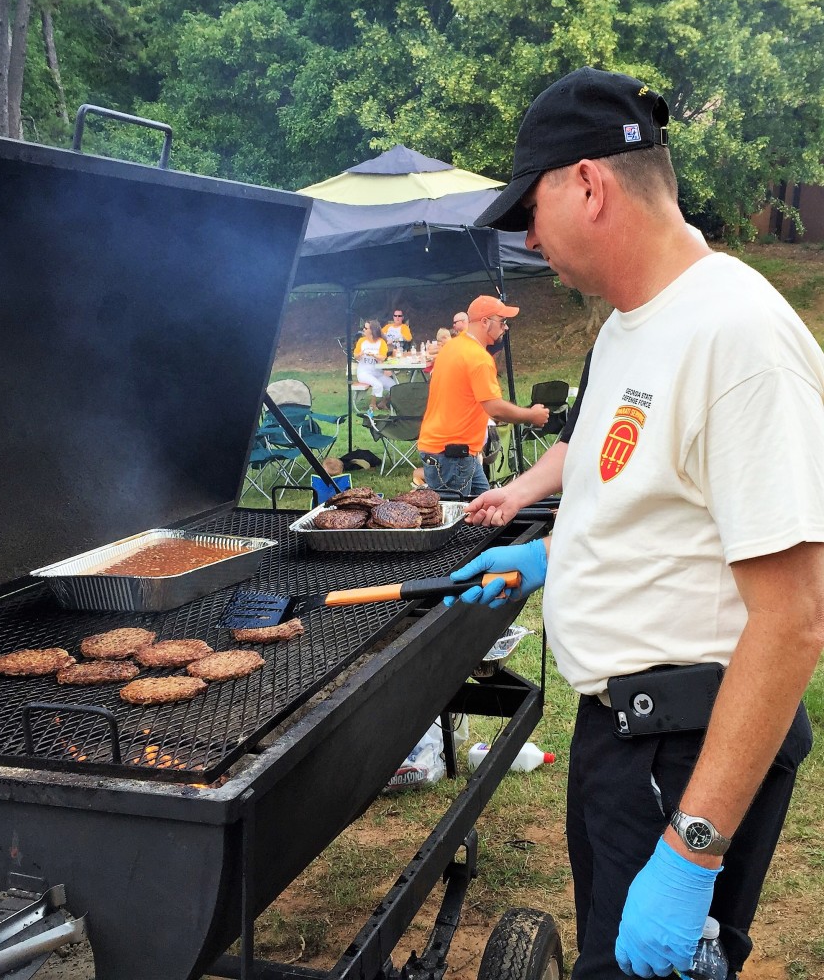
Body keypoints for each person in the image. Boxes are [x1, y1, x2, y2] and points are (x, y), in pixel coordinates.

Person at [450, 66, 824, 980]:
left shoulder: (737, 336)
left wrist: (693, 850)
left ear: (590, 183)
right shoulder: (625, 327)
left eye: (527, 210)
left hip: (686, 744)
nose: (527, 239)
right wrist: (551, 554)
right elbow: (627, 484)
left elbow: (796, 616)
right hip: (621, 735)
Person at [417, 293, 549, 498]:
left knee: (485, 510)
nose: (506, 327)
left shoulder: (452, 346)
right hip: (452, 455)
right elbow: (494, 408)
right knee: (458, 523)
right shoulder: (478, 358)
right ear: (485, 322)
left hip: (449, 450)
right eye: (503, 321)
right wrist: (532, 416)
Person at [352, 318, 393, 413]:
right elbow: (355, 356)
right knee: (377, 384)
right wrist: (360, 354)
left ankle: (383, 402)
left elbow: (382, 357)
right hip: (364, 372)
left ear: (372, 330)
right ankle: (372, 405)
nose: (363, 330)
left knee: (393, 386)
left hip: (377, 372)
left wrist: (373, 355)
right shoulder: (361, 341)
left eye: (366, 328)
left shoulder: (381, 342)